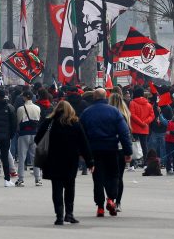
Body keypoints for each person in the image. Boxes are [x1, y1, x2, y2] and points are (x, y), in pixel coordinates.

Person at [35, 100, 93, 225]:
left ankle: (59, 216)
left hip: (53, 159)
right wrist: (90, 162)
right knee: (70, 187)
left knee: (56, 188)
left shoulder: (49, 122)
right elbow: (84, 143)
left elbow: (37, 138)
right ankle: (69, 214)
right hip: (70, 160)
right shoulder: (74, 123)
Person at [80, 88, 132, 218]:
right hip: (111, 148)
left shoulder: (87, 112)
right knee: (113, 175)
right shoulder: (114, 111)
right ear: (105, 97)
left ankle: (100, 207)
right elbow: (124, 133)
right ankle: (111, 199)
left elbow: (81, 134)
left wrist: (82, 151)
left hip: (94, 150)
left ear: (94, 97)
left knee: (97, 178)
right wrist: (128, 151)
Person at [14, 91, 42, 187]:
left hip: (23, 134)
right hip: (35, 133)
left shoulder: (20, 109)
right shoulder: (37, 108)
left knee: (22, 157)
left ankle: (21, 179)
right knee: (35, 157)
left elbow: (18, 122)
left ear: (25, 97)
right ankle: (37, 179)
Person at [128, 87, 154, 166]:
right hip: (145, 127)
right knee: (144, 146)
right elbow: (152, 116)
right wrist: (145, 123)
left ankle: (132, 164)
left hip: (135, 128)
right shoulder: (149, 104)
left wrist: (140, 123)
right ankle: (146, 163)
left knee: (134, 145)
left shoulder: (132, 103)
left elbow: (132, 115)